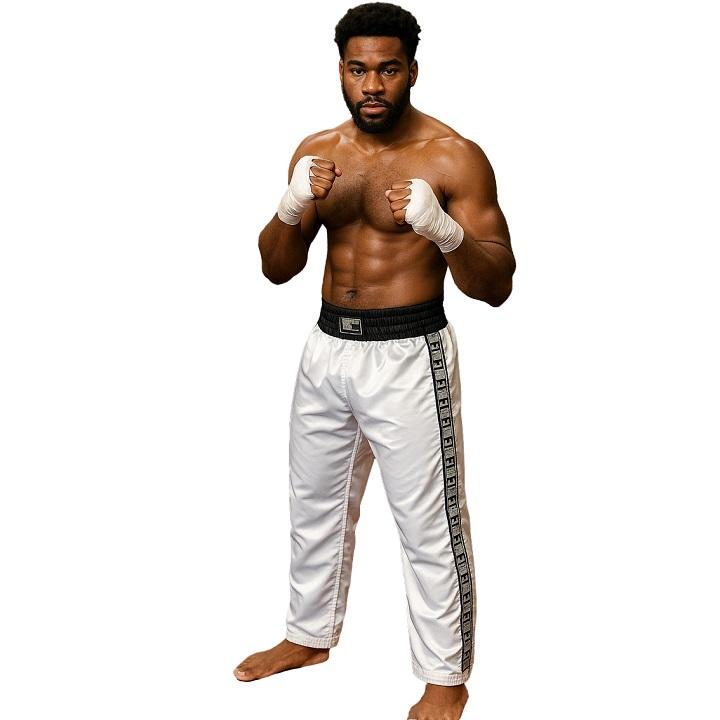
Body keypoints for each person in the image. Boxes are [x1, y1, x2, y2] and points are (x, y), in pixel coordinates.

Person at [234, 3, 515, 718]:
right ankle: (308, 636)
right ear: (340, 70)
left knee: (429, 523)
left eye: (388, 69)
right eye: (358, 70)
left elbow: (497, 284)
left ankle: (446, 677)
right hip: (327, 345)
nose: (372, 85)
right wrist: (291, 205)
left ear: (412, 71)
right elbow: (275, 269)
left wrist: (443, 230)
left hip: (408, 351)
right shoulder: (317, 151)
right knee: (314, 504)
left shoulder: (453, 157)